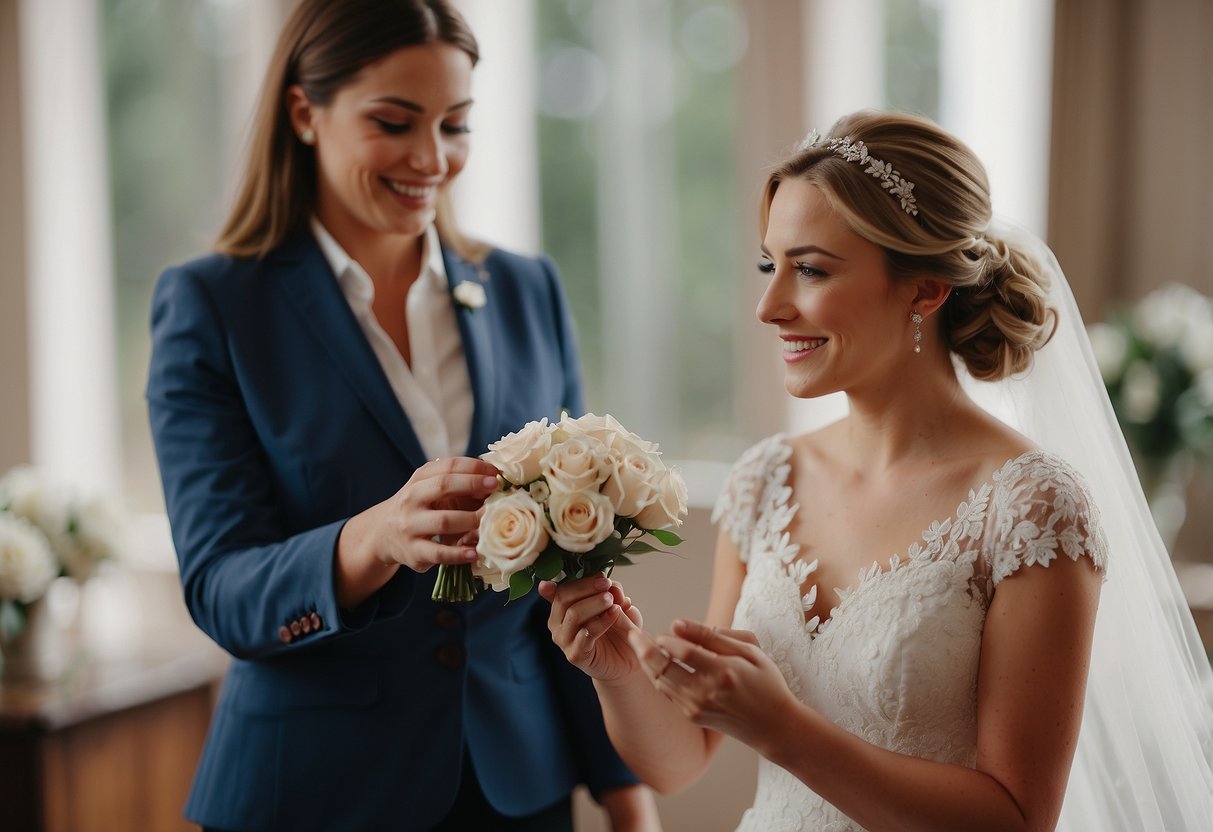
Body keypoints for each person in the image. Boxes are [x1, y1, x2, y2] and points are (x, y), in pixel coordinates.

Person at [542, 110, 1213, 830]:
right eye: (770, 265)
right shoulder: (764, 479)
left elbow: (1017, 819)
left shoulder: (1031, 505)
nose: (769, 306)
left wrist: (786, 732)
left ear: (924, 290)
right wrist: (618, 675)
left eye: (810, 269)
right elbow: (681, 759)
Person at [145, 1, 660, 829]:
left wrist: (626, 795)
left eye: (456, 125)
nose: (432, 157)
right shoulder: (213, 305)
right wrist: (374, 537)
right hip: (309, 792)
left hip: (518, 789)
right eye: (394, 121)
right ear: (304, 112)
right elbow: (221, 589)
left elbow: (570, 570)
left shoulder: (528, 291)